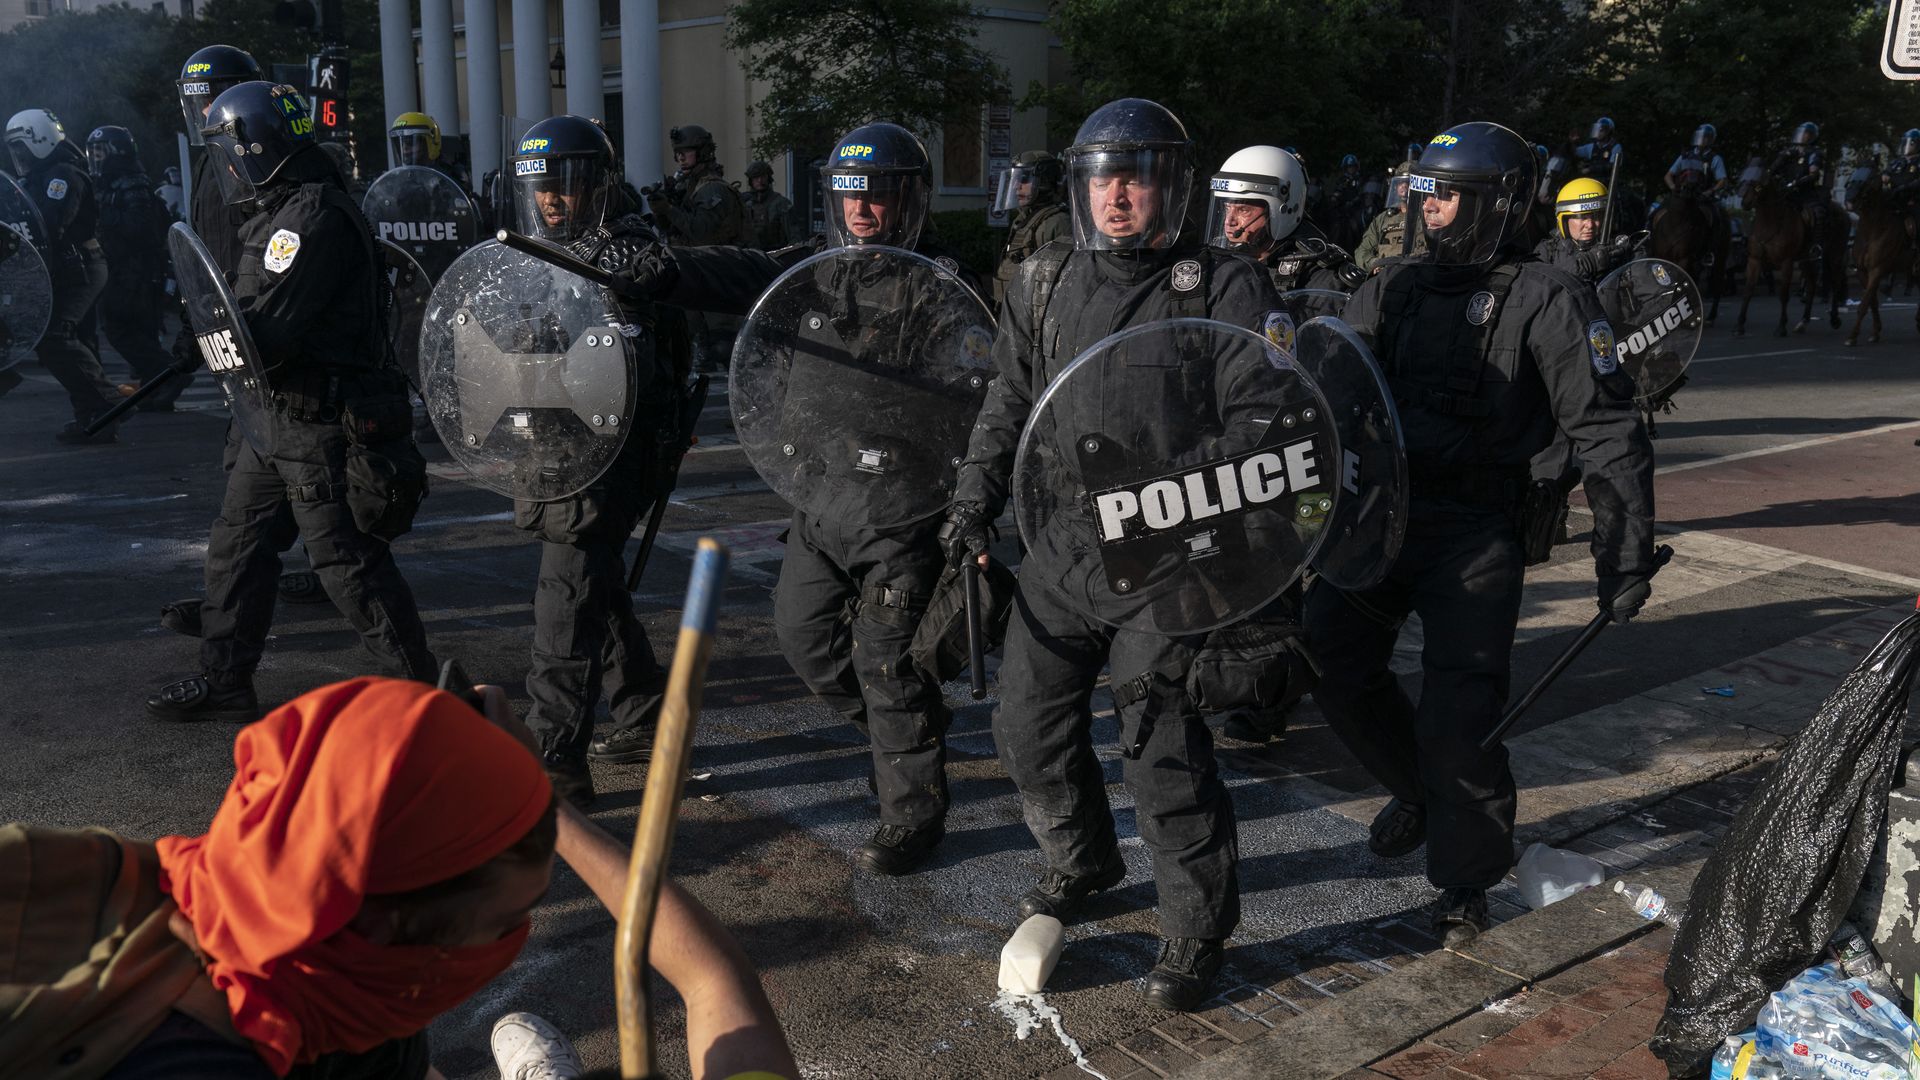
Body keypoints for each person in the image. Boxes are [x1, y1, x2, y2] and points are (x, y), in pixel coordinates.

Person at [1, 675, 800, 1080]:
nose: (515, 943)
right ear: (382, 934)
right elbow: (714, 980)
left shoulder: (202, 895)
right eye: (505, 922)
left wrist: (534, 808)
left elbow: (709, 980)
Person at [942, 97, 1288, 1011]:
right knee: (1026, 722)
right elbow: (1007, 403)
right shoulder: (1045, 278)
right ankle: (1082, 859)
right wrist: (973, 500)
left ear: (1173, 186)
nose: (1118, 196)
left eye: (1136, 178)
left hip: (1175, 552)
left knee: (1159, 746)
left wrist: (1175, 493)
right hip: (1063, 549)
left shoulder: (1225, 285)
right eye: (1103, 179)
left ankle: (1194, 927)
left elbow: (1268, 419)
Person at [1307, 121, 1655, 948]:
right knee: (1329, 654)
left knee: (1462, 712)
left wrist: (1625, 552)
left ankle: (1466, 879)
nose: (1431, 209)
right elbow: (1334, 387)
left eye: (1450, 194)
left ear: (1498, 203)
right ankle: (1422, 791)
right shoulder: (1390, 284)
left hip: (1478, 530)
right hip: (1385, 516)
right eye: (1425, 191)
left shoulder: (1549, 297)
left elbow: (1607, 431)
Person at [603, 122, 984, 875]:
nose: (863, 212)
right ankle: (908, 722)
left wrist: (966, 497)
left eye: (878, 197)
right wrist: (660, 269)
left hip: (902, 507)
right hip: (821, 500)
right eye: (850, 197)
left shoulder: (942, 287)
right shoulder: (818, 269)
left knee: (884, 662)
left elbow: (979, 394)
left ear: (909, 201)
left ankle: (911, 814)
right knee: (805, 639)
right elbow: (741, 269)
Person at [147, 82, 435, 722]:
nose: (222, 166)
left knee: (350, 569)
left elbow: (267, 334)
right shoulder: (281, 211)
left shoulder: (311, 218)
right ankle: (225, 682)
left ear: (252, 146)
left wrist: (210, 338)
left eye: (226, 150)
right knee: (238, 549)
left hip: (319, 422)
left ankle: (425, 704)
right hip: (273, 418)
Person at [502, 114, 689, 809]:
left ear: (599, 185)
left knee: (566, 596)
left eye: (565, 185)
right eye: (539, 186)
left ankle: (557, 756)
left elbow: (642, 345)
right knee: (595, 583)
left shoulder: (628, 249)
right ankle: (644, 713)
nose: (552, 199)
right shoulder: (534, 253)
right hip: (555, 446)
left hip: (612, 450)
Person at [6, 107, 119, 443]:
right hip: (63, 267)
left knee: (57, 337)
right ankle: (94, 419)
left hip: (82, 264)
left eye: (21, 147)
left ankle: (107, 405)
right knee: (70, 341)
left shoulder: (63, 175)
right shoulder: (40, 176)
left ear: (40, 139)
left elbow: (50, 225)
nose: (18, 155)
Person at [88, 125, 181, 412]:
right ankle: (158, 388)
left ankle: (170, 374)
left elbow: (139, 228)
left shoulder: (131, 184)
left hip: (135, 270)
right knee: (136, 330)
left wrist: (106, 213)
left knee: (119, 327)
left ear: (116, 151)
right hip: (125, 267)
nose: (95, 157)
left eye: (100, 151)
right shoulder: (116, 182)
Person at [992, 149, 1070, 305]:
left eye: (1024, 179)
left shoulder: (1057, 222)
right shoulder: (1026, 218)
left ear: (1044, 181)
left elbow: (1064, 286)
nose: (1015, 186)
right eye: (1015, 178)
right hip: (1012, 312)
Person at [1533, 177, 1636, 281]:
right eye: (1581, 217)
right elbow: (1536, 290)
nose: (1590, 225)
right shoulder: (1548, 253)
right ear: (1564, 220)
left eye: (1596, 216)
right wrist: (1587, 264)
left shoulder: (1621, 249)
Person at [1772, 121, 1832, 259]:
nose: (1802, 136)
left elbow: (1813, 173)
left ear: (1812, 137)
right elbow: (1774, 169)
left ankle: (1816, 246)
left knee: (1818, 214)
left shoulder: (1814, 153)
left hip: (1806, 194)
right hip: (1786, 193)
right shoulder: (1788, 152)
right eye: (1801, 133)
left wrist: (1797, 183)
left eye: (1806, 134)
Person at [1355, 161, 1423, 271]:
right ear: (1395, 187)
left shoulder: (1428, 218)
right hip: (1385, 279)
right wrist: (1374, 263)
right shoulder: (1382, 219)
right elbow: (1362, 251)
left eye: (1409, 182)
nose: (1404, 186)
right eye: (1400, 182)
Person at [388, 111, 469, 191]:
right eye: (401, 144)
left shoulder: (446, 179)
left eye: (410, 142)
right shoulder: (397, 181)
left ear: (432, 141)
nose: (404, 148)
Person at [741, 159, 792, 251]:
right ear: (751, 181)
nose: (760, 180)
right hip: (751, 255)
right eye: (756, 177)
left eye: (763, 176)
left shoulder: (781, 203)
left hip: (775, 254)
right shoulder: (745, 204)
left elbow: (794, 235)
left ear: (768, 178)